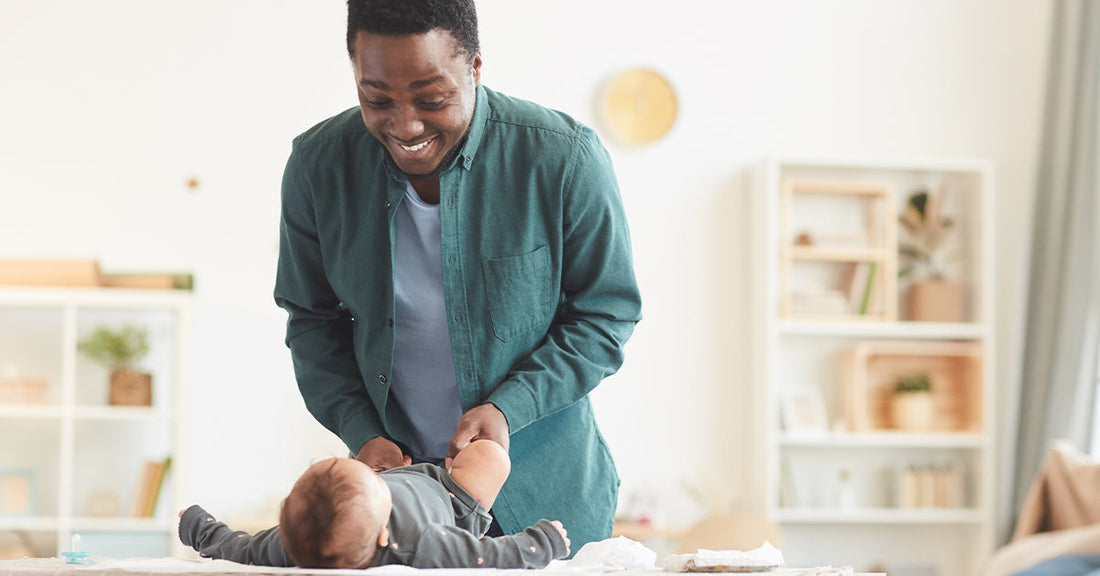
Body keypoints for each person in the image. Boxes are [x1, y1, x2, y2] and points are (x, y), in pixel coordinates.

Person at [272, 0, 642, 551]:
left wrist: (507, 409)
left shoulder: (564, 159)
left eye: (432, 98)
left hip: (547, 502)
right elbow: (311, 322)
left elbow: (606, 314)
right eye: (377, 99)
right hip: (393, 511)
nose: (406, 125)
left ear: (474, 68)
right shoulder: (317, 165)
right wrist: (361, 431)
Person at [178, 440, 571, 569]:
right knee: (491, 456)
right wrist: (544, 541)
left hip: (399, 480)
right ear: (385, 533)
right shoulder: (422, 543)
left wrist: (197, 525)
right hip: (449, 496)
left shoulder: (290, 541)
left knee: (344, 486)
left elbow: (236, 548)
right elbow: (490, 556)